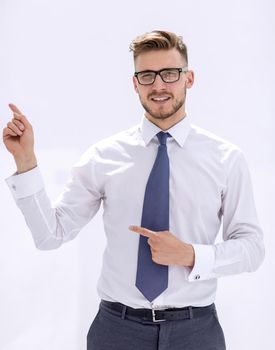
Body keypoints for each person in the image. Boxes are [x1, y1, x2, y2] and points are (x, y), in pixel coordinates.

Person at [3, 30, 265, 350]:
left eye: (169, 74)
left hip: (195, 332)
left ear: (189, 78)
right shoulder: (104, 156)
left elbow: (252, 249)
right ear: (135, 83)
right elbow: (50, 235)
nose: (158, 85)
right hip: (117, 331)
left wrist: (191, 255)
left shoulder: (226, 159)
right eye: (147, 75)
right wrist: (26, 160)